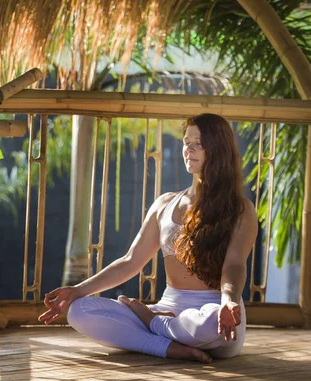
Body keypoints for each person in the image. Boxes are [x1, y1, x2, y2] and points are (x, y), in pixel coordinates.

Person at [39, 113, 258, 363]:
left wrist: (229, 302)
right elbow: (130, 261)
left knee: (211, 324)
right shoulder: (164, 204)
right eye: (186, 142)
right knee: (80, 311)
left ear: (218, 148)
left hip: (214, 310)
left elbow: (234, 265)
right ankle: (165, 345)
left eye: (199, 143)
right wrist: (77, 290)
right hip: (169, 307)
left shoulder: (240, 209)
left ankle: (152, 323)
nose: (190, 149)